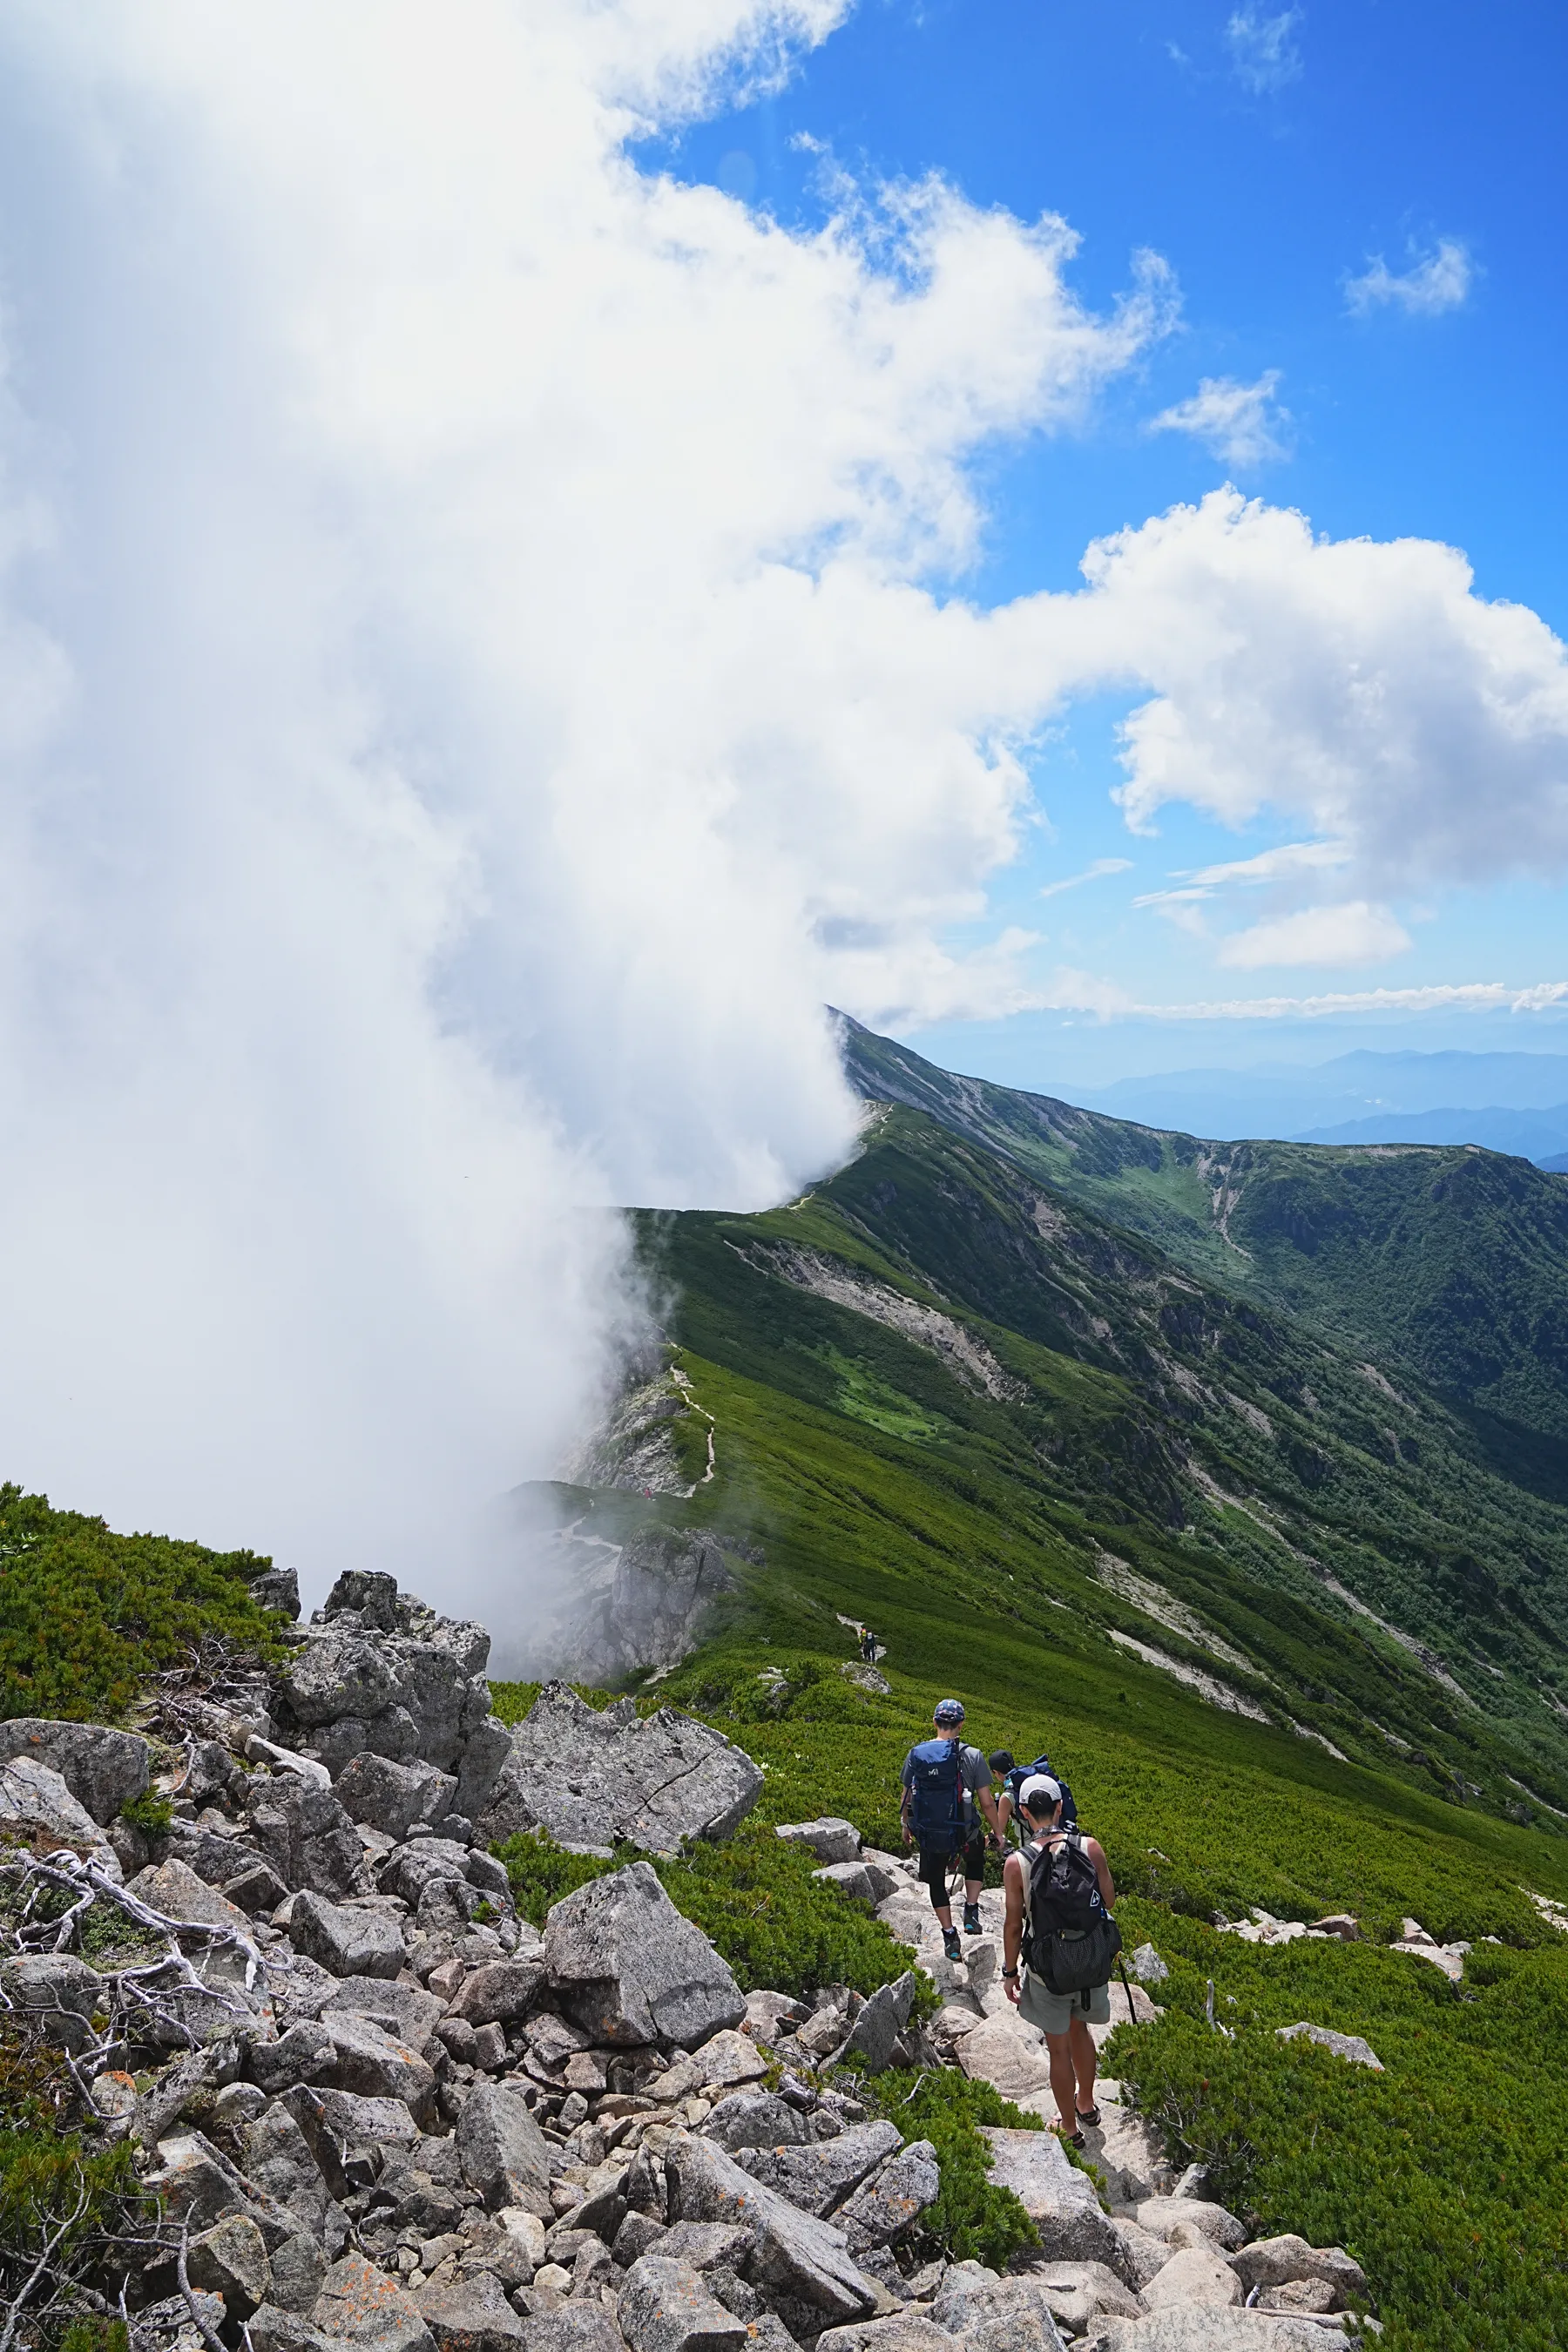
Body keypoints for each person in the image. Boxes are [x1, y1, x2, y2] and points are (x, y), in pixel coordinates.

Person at [1000, 1773, 1117, 2147]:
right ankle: (1086, 2102)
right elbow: (1109, 1901)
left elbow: (1014, 1924)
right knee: (1081, 2030)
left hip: (1049, 1968)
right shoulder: (1090, 1846)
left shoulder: (1018, 1863)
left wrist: (1009, 1971)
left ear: (1022, 1812)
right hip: (1090, 1960)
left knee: (1059, 2047)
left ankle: (1069, 2126)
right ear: (1060, 1806)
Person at [900, 1699, 1000, 1960]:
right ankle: (971, 1910)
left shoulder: (917, 1754)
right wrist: (998, 1832)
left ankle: (949, 1935)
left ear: (935, 1722)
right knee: (976, 1859)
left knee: (935, 1882)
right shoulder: (973, 1755)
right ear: (961, 1725)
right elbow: (988, 1803)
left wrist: (905, 1825)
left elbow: (906, 1796)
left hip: (931, 1832)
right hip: (965, 1830)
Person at [990, 1745, 1078, 1848]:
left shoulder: (1008, 1796)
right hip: (1058, 1840)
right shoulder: (1032, 1779)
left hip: (1032, 1848)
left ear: (995, 1772)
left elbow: (998, 1830)